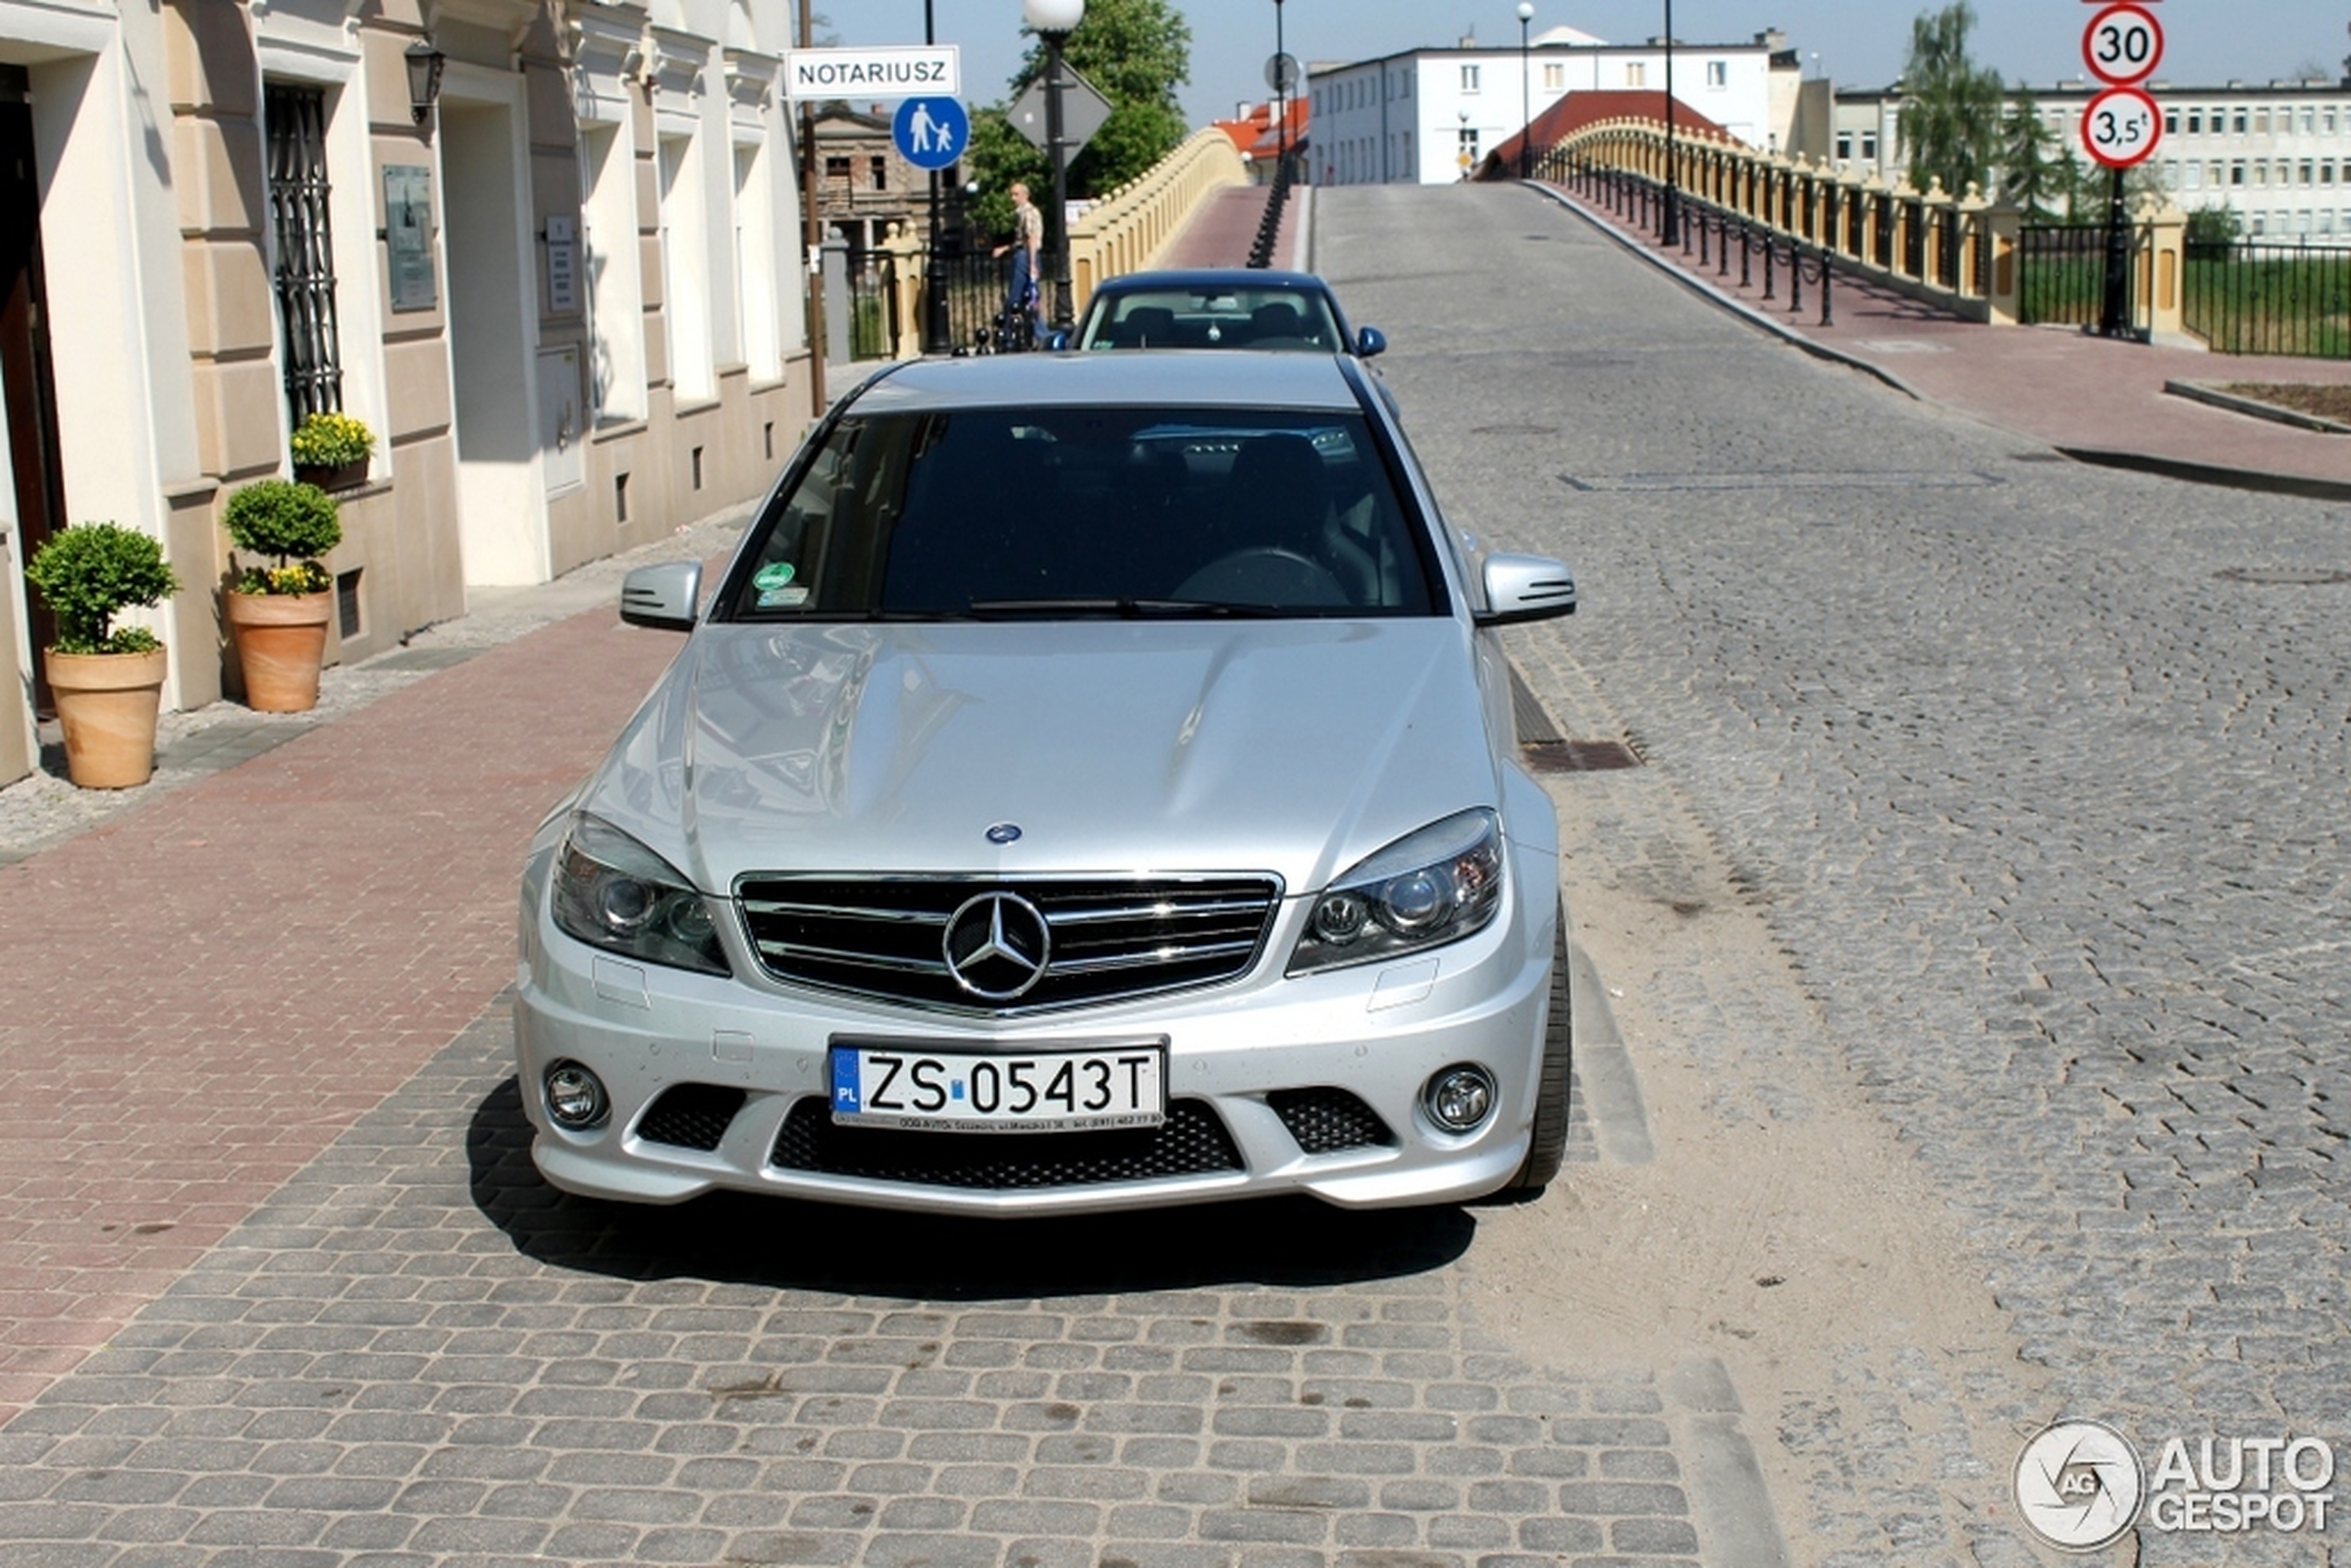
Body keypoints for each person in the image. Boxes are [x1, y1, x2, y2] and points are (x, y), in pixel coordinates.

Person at [991, 180, 1043, 337]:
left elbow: (1031, 238)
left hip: (1025, 257)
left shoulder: (1028, 213)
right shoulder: (1022, 213)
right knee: (1029, 299)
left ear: (1025, 195)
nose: (1013, 198)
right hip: (1024, 254)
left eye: (1016, 194)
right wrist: (1005, 248)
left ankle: (1007, 335)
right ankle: (1040, 334)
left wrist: (1032, 263)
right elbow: (1023, 239)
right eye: (1012, 195)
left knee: (1015, 298)